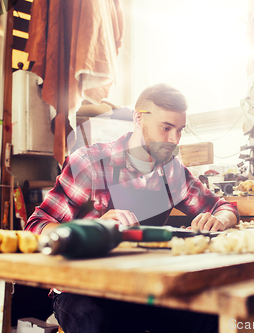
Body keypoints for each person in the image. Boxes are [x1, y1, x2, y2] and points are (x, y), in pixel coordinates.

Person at [25, 83, 239, 333]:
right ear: (139, 118)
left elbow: (223, 207)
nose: (174, 140)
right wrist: (92, 229)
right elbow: (35, 228)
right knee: (99, 323)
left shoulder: (172, 170)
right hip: (82, 288)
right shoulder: (90, 163)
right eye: (166, 128)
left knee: (211, 317)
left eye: (180, 130)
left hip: (142, 285)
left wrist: (220, 220)